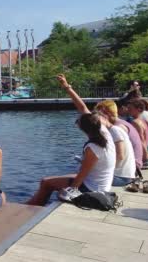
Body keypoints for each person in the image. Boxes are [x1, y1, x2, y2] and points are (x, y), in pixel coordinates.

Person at [27, 76, 115, 205]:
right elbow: (83, 108)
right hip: (99, 183)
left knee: (46, 182)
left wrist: (70, 190)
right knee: (50, 181)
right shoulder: (103, 133)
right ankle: (33, 204)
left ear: (83, 129)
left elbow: (82, 175)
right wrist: (67, 87)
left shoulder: (93, 148)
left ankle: (32, 208)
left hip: (94, 189)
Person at [96, 100, 143, 171]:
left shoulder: (118, 128)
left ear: (107, 114)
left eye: (99, 115)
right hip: (133, 163)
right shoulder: (122, 123)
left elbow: (120, 156)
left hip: (133, 167)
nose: (97, 119)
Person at [127, 99, 148, 164]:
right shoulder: (146, 122)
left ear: (139, 109)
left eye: (130, 108)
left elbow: (142, 142)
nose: (128, 110)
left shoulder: (135, 123)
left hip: (139, 156)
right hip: (144, 154)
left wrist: (146, 159)